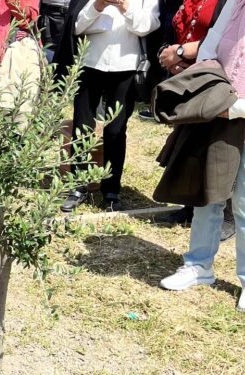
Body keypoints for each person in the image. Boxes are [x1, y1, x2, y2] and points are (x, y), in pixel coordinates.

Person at [159, 0, 245, 312]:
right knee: (209, 192)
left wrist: (232, 108)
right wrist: (210, 92)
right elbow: (209, 48)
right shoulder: (232, 3)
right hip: (220, 112)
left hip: (232, 111)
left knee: (244, 203)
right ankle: (199, 266)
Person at [59, 0, 160, 213]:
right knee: (82, 126)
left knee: (116, 130)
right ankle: (78, 186)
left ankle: (111, 188)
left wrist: (125, 6)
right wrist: (97, 5)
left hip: (127, 65)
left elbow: (147, 26)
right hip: (90, 61)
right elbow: (76, 25)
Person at [155, 0, 232, 238]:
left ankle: (226, 214)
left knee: (222, 150)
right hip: (195, 74)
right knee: (192, 143)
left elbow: (220, 39)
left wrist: (181, 54)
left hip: (219, 76)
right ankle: (189, 205)